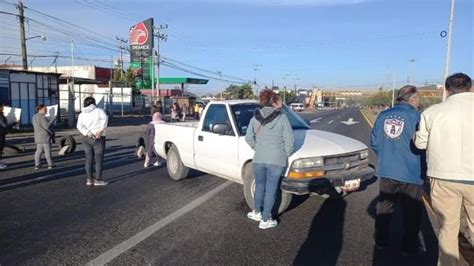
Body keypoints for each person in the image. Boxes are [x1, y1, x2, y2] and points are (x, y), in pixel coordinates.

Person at [415, 73, 473, 266]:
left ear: (447, 89)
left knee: (448, 228)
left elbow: (421, 144)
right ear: (470, 87)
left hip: (443, 176)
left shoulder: (432, 112)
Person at [370, 85, 426, 255]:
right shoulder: (418, 116)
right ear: (413, 99)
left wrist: (387, 157)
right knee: (411, 212)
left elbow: (374, 142)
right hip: (411, 171)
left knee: (385, 207)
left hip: (387, 170)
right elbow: (424, 144)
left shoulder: (383, 115)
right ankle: (408, 247)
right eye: (419, 100)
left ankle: (381, 240)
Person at [245, 89, 294, 229]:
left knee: (260, 186)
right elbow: (289, 141)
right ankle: (266, 219)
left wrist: (258, 148)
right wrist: (285, 154)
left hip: (259, 158)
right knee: (271, 189)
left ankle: (256, 212)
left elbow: (249, 138)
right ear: (273, 102)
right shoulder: (282, 118)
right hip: (276, 160)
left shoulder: (254, 118)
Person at [77, 97, 109, 186]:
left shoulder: (82, 114)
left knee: (88, 159)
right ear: (94, 103)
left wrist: (87, 133)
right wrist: (100, 131)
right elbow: (105, 120)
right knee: (98, 159)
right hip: (98, 137)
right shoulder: (99, 111)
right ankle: (98, 179)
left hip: (86, 138)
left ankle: (89, 179)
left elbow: (79, 126)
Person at [32, 104, 56, 170]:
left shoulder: (34, 116)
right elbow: (47, 126)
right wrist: (53, 119)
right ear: (39, 109)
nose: (46, 111)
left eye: (46, 109)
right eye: (45, 109)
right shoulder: (42, 117)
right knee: (47, 151)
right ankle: (50, 164)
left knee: (38, 151)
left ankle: (37, 164)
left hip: (38, 136)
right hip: (45, 136)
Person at [0, 103, 17, 170]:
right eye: (2, 107)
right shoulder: (0, 116)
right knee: (0, 148)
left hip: (1, 133)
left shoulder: (2, 115)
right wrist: (13, 123)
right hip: (0, 134)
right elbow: (4, 125)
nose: (3, 108)